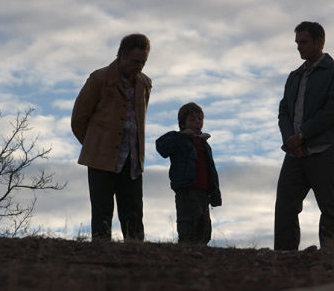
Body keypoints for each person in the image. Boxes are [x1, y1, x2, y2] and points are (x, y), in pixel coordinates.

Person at [274, 21, 334, 250]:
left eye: (304, 42)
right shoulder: (294, 76)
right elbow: (284, 111)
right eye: (297, 42)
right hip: (295, 154)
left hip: (324, 150)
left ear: (320, 41)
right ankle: (284, 259)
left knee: (330, 207)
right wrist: (290, 140)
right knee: (285, 207)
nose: (299, 47)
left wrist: (302, 135)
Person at [71, 33, 151, 242]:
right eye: (135, 61)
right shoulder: (99, 78)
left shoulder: (145, 83)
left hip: (132, 160)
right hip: (100, 158)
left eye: (143, 62)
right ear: (121, 56)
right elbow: (79, 118)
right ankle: (100, 258)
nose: (139, 66)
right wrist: (95, 145)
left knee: (133, 214)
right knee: (102, 213)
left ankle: (137, 261)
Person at [156, 102, 222, 244]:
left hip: (204, 192)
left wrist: (215, 193)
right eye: (192, 119)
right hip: (186, 190)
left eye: (200, 119)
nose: (197, 122)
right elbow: (161, 147)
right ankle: (184, 256)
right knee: (187, 228)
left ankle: (200, 258)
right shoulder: (178, 138)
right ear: (183, 123)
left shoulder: (204, 143)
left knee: (204, 230)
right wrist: (181, 136)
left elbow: (211, 170)